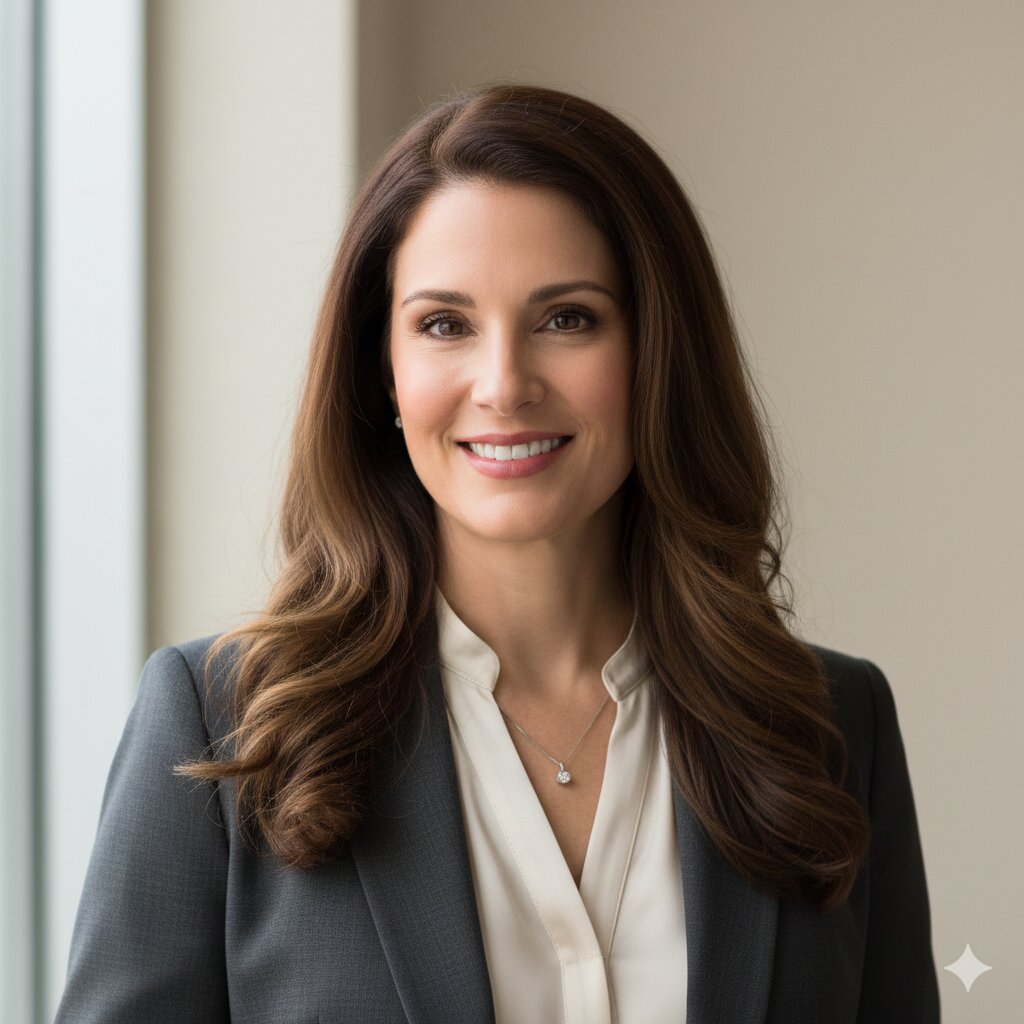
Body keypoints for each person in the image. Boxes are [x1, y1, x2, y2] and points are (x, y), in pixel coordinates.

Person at [54, 82, 940, 1024]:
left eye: (568, 318)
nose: (504, 383)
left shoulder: (833, 729)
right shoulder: (220, 728)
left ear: (655, 355)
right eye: (445, 324)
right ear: (382, 372)